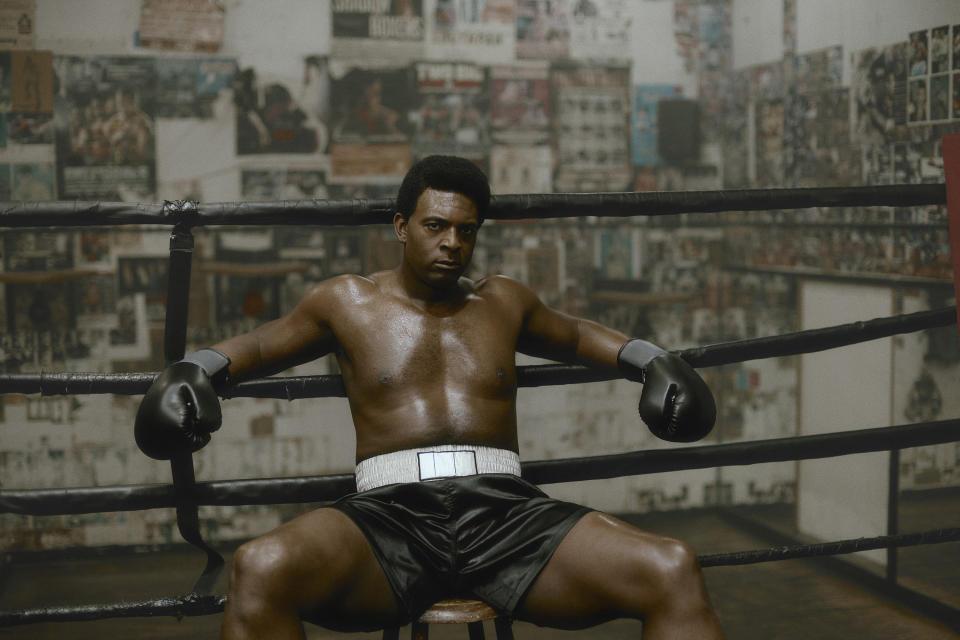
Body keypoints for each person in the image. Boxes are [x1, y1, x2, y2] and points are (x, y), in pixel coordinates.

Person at [135, 155, 724, 639]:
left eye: (466, 230)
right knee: (260, 567)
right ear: (400, 226)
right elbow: (263, 347)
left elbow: (574, 334)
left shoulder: (504, 300)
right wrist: (195, 370)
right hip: (389, 515)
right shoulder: (347, 300)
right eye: (435, 226)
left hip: (507, 512)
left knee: (671, 567)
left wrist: (653, 359)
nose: (452, 243)